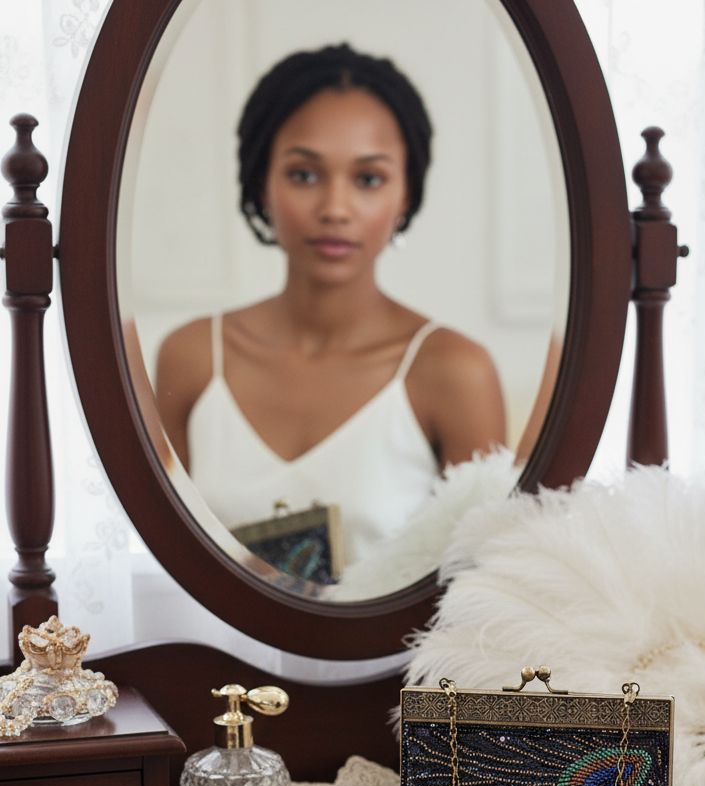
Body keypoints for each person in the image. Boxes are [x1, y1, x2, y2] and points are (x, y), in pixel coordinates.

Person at [156, 43, 506, 566]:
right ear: (261, 184)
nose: (335, 209)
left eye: (368, 179)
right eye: (303, 174)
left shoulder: (455, 372)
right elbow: (165, 558)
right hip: (207, 652)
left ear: (406, 195)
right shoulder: (191, 358)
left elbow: (483, 584)